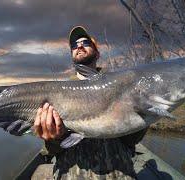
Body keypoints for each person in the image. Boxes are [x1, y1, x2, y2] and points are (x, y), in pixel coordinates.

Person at [33, 26, 147, 179]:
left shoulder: (120, 85)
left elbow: (132, 140)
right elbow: (51, 151)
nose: (79, 46)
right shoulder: (56, 94)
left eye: (85, 42)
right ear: (72, 54)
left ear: (97, 52)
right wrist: (54, 138)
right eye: (74, 45)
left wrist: (143, 111)